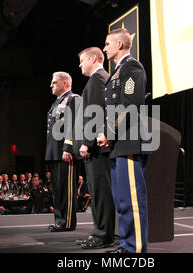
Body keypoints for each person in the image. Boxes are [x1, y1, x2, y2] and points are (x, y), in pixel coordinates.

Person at [98, 28, 149, 253]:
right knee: (121, 200)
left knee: (132, 201)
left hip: (128, 141)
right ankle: (127, 245)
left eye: (107, 44)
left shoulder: (132, 67)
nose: (104, 48)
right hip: (118, 143)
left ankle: (135, 249)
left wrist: (109, 132)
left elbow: (129, 104)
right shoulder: (118, 71)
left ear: (119, 45)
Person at [76, 46, 116, 249]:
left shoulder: (98, 78)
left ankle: (103, 235)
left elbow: (97, 112)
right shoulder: (98, 78)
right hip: (98, 146)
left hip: (98, 148)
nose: (80, 64)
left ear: (93, 59)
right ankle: (100, 232)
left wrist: (86, 141)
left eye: (82, 60)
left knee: (101, 192)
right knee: (98, 192)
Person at [45, 71, 80, 232]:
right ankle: (60, 220)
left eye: (54, 82)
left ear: (65, 83)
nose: (51, 85)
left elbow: (74, 125)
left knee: (66, 190)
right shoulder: (57, 102)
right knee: (57, 190)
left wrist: (68, 147)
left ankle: (67, 222)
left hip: (65, 151)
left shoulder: (73, 99)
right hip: (54, 151)